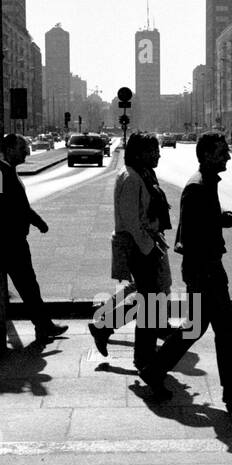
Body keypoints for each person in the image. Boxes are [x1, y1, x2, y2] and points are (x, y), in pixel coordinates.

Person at [138, 132, 232, 412]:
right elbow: (199, 231)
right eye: (222, 152)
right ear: (207, 155)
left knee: (195, 327)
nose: (228, 157)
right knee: (225, 329)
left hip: (202, 267)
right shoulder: (198, 187)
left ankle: (154, 369)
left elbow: (215, 218)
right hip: (205, 268)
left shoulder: (203, 183)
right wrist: (208, 272)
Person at [89, 132, 173, 368]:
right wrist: (150, 248)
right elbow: (130, 222)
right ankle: (143, 358)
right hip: (139, 249)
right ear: (139, 154)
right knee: (150, 302)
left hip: (148, 244)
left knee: (150, 301)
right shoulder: (131, 178)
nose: (158, 154)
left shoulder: (144, 174)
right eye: (152, 150)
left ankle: (106, 330)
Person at [0, 133, 67, 345]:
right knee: (27, 286)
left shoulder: (6, 172)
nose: (26, 152)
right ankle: (43, 327)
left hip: (5, 242)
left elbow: (16, 207)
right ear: (9, 149)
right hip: (8, 243)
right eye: (22, 148)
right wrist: (33, 222)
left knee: (22, 287)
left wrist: (37, 221)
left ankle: (42, 326)